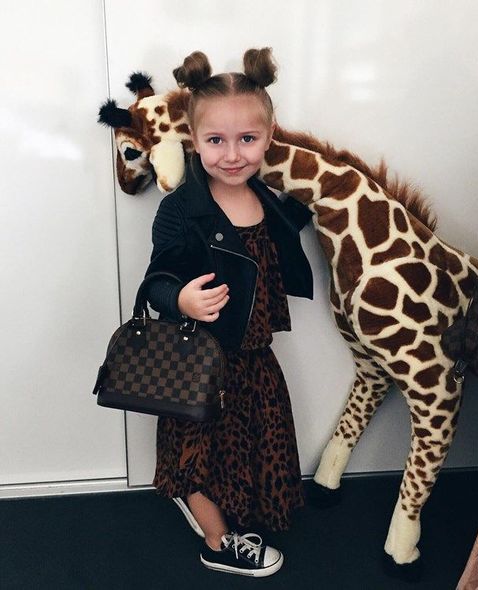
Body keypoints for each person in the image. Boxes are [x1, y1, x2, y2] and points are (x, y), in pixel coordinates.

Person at [144, 47, 313, 577]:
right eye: (216, 140)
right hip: (200, 363)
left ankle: (234, 513)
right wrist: (181, 299)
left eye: (248, 139)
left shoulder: (268, 199)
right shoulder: (181, 210)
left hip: (254, 360)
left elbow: (290, 232)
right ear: (194, 141)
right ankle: (217, 542)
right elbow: (156, 281)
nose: (233, 155)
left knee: (249, 448)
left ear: (269, 135)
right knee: (194, 453)